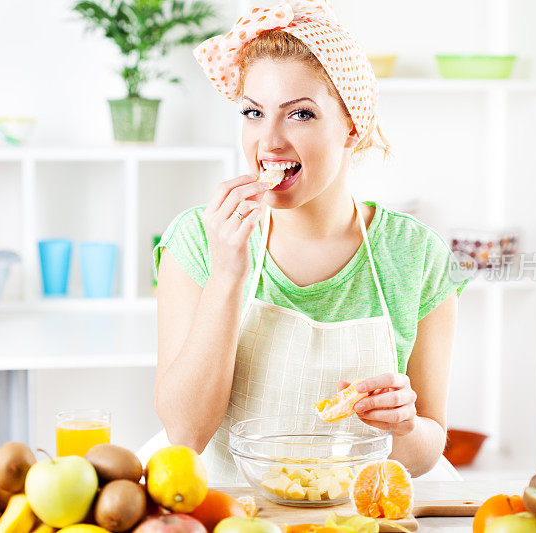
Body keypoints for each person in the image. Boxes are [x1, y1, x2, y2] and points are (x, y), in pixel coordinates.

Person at [152, 0, 468, 483]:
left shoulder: (417, 255)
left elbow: (427, 447)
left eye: (299, 114)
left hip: (355, 514)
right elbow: (186, 433)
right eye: (253, 112)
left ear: (352, 127)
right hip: (229, 511)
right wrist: (228, 273)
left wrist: (403, 425)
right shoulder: (197, 239)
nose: (270, 141)